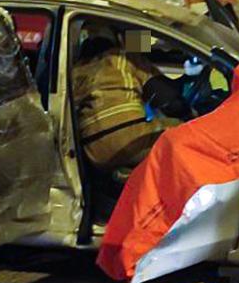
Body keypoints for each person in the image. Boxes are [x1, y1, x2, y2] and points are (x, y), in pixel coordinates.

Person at [71, 22, 187, 183]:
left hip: (94, 153)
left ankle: (129, 174)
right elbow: (167, 98)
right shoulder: (125, 57)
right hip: (130, 138)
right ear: (118, 38)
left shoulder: (76, 70)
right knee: (183, 132)